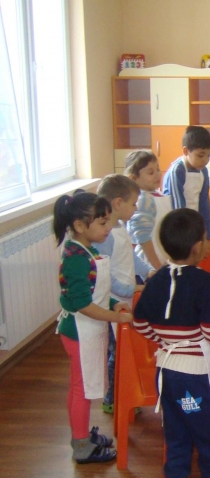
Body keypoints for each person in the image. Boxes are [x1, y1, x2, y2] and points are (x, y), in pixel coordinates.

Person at [132, 209, 210, 478]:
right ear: (198, 247)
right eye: (206, 239)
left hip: (166, 372)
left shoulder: (156, 279)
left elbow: (139, 322)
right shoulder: (207, 282)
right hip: (197, 374)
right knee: (208, 433)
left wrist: (163, 341)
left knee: (176, 435)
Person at [54, 190, 130, 464]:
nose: (108, 227)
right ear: (80, 225)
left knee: (82, 387)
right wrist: (115, 318)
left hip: (89, 329)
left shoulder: (88, 249)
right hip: (79, 332)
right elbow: (82, 304)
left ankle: (82, 435)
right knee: (82, 390)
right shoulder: (76, 259)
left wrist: (114, 304)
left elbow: (96, 292)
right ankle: (82, 445)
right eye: (102, 222)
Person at [94, 174, 153, 414]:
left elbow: (131, 257)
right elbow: (105, 276)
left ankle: (125, 392)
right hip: (113, 303)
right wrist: (132, 289)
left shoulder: (119, 228)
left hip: (125, 300)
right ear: (118, 203)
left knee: (124, 350)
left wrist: (148, 271)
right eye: (133, 203)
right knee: (116, 353)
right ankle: (113, 398)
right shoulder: (105, 236)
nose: (136, 208)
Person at [162, 126, 210, 270]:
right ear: (186, 151)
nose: (205, 160)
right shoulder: (176, 171)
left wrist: (207, 237)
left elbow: (204, 205)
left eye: (209, 156)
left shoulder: (203, 172)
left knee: (204, 271)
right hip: (180, 231)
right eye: (201, 155)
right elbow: (177, 210)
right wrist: (189, 238)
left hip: (196, 229)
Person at [126, 150, 171, 270]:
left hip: (163, 260)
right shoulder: (143, 200)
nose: (157, 175)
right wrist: (157, 267)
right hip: (150, 264)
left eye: (158, 169)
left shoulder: (156, 194)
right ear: (133, 178)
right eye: (151, 172)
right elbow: (143, 238)